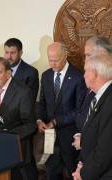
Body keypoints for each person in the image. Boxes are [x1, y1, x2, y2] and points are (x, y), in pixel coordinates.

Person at [37, 42, 87, 180]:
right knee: (51, 172)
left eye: (56, 60)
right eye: (50, 59)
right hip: (49, 135)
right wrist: (40, 120)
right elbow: (42, 103)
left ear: (65, 56)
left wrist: (56, 121)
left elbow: (79, 110)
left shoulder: (78, 77)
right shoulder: (46, 75)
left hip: (68, 134)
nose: (52, 64)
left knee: (72, 171)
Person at [0, 57, 37, 180]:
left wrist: (8, 135)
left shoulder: (23, 92)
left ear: (8, 73)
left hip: (16, 150)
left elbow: (30, 125)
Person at [72, 54, 112, 180]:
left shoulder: (110, 100)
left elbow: (105, 150)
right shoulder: (100, 96)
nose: (83, 75)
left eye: (85, 71)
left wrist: (83, 174)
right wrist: (81, 164)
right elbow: (95, 135)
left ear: (94, 73)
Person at [72, 35, 112, 150]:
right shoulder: (89, 74)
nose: (86, 59)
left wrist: (85, 142)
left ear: (103, 54)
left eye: (88, 55)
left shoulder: (105, 80)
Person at [4, 38, 39, 104]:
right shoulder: (0, 70)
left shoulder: (31, 72)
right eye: (6, 52)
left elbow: (29, 101)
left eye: (12, 53)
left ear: (20, 53)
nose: (9, 57)